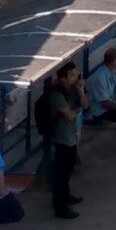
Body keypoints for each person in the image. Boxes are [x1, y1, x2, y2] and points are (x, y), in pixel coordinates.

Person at [36, 65, 84, 218]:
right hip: (61, 138)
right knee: (61, 174)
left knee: (67, 170)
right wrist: (77, 109)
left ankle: (66, 196)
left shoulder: (72, 90)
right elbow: (69, 115)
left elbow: (86, 105)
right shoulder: (57, 94)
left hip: (71, 137)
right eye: (72, 75)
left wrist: (81, 91)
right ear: (63, 78)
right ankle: (60, 206)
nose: (76, 77)